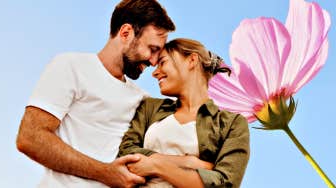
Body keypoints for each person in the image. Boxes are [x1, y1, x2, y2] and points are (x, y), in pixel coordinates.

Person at [16, 0, 175, 187]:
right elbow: (30, 138)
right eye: (152, 49)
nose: (154, 61)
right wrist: (106, 173)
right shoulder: (71, 67)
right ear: (126, 33)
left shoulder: (143, 100)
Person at [118, 38, 250, 188]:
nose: (155, 73)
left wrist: (156, 166)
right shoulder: (150, 108)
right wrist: (187, 162)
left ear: (192, 60)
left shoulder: (231, 124)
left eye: (162, 62)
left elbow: (225, 183)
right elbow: (126, 153)